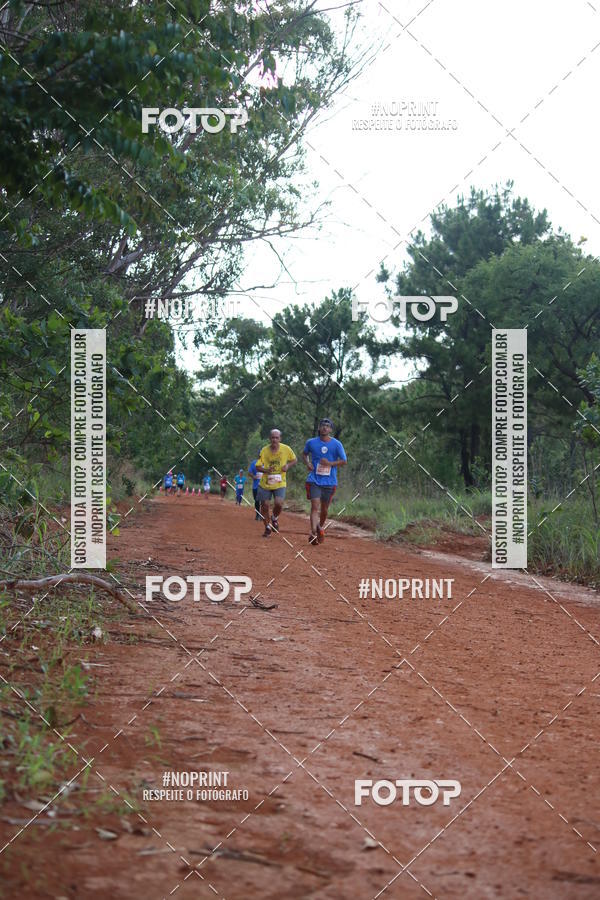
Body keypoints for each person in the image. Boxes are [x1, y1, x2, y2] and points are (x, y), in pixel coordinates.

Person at [302, 417, 347, 545]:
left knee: (325, 508)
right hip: (314, 479)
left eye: (327, 426)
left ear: (331, 429)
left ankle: (320, 527)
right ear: (319, 428)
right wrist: (308, 463)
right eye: (322, 425)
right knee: (315, 506)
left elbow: (344, 461)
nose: (325, 428)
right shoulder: (311, 442)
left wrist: (330, 463)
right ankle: (313, 533)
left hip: (330, 481)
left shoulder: (337, 444)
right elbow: (304, 454)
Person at [256, 429, 297, 537]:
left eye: (276, 437)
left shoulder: (286, 449)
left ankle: (274, 518)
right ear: (269, 438)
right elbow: (258, 466)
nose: (274, 440)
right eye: (272, 437)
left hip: (280, 482)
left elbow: (294, 460)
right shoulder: (264, 451)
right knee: (264, 505)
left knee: (279, 503)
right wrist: (266, 470)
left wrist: (288, 466)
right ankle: (267, 527)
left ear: (280, 439)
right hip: (266, 483)